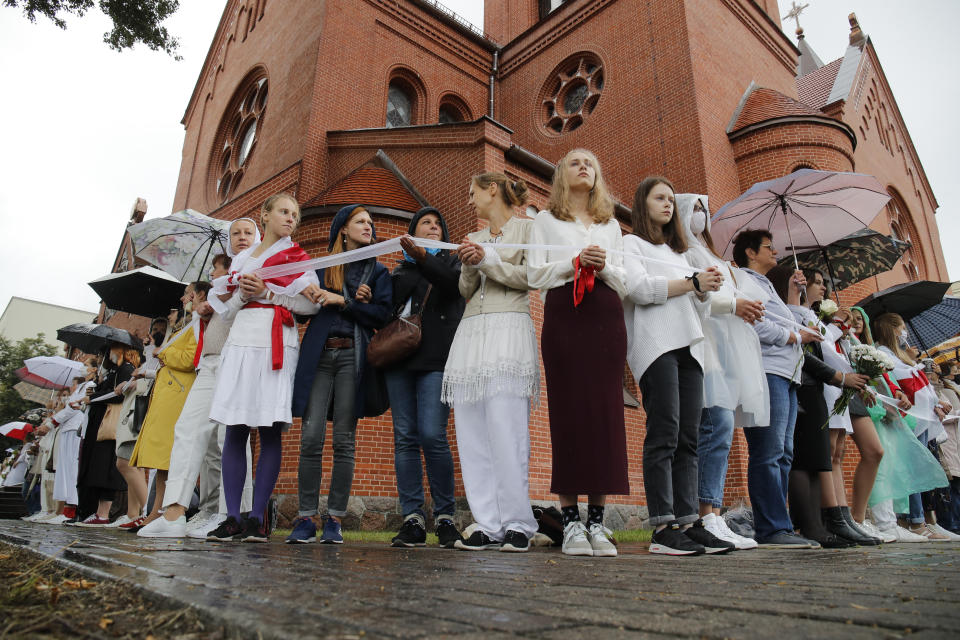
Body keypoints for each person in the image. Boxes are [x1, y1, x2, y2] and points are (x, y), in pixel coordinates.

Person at [622, 178, 732, 556]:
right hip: (656, 346)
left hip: (690, 347)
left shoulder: (681, 254)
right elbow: (638, 289)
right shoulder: (630, 244)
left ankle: (688, 522)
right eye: (659, 198)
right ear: (643, 203)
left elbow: (695, 308)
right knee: (664, 432)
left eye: (671, 199)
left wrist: (703, 289)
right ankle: (662, 527)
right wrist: (691, 283)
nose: (668, 204)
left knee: (689, 438)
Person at [528, 149, 628, 557]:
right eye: (575, 162)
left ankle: (599, 522)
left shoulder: (612, 225)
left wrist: (602, 266)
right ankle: (571, 521)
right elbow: (535, 274)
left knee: (606, 414)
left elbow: (625, 279)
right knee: (568, 412)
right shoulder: (545, 221)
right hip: (564, 315)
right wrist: (574, 261)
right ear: (561, 176)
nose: (584, 166)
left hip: (606, 317)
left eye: (590, 162)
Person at [207, 193, 319, 543]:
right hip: (241, 340)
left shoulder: (297, 256)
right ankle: (232, 517)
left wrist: (268, 293)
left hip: (276, 339)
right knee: (236, 427)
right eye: (284, 211)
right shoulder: (241, 258)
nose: (290, 218)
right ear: (265, 215)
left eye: (295, 214)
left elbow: (310, 306)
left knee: (269, 427)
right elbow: (225, 310)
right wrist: (245, 293)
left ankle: (257, 518)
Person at [138, 221, 259, 539]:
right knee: (188, 430)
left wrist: (226, 300)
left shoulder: (258, 270)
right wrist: (201, 314)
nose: (241, 237)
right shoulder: (219, 288)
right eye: (236, 233)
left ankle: (233, 514)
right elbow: (202, 336)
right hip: (209, 364)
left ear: (258, 238)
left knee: (229, 440)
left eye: (248, 232)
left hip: (238, 361)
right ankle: (174, 512)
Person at [286, 205, 391, 544]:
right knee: (310, 437)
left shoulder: (377, 272)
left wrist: (347, 302)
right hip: (319, 356)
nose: (369, 226)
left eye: (371, 223)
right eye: (360, 221)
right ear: (342, 230)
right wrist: (306, 294)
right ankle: (305, 518)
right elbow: (303, 314)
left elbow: (382, 317)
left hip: (353, 357)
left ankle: (334, 519)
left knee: (344, 441)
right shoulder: (322, 267)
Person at [446, 173, 539, 553]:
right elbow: (465, 290)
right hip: (472, 332)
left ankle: (518, 521)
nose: (469, 201)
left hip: (509, 328)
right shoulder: (475, 238)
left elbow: (531, 277)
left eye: (472, 193)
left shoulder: (527, 229)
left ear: (492, 190)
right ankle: (487, 522)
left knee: (506, 426)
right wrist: (471, 262)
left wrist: (488, 261)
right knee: (471, 430)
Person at [675, 194, 767, 550]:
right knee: (716, 426)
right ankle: (705, 514)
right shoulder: (684, 251)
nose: (701, 215)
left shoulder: (716, 256)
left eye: (704, 209)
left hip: (729, 350)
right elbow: (693, 293)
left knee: (722, 431)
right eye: (694, 208)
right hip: (706, 346)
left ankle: (711, 512)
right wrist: (733, 303)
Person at [732, 229, 821, 548]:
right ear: (750, 253)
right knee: (768, 452)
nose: (775, 253)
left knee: (783, 453)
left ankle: (778, 524)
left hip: (786, 374)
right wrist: (795, 338)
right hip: (767, 371)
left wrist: (797, 295)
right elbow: (756, 322)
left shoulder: (768, 284)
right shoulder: (744, 280)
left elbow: (792, 321)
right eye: (768, 248)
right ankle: (771, 527)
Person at [383, 206, 464, 548]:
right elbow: (389, 308)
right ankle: (413, 518)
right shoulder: (400, 270)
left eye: (437, 224)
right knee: (405, 437)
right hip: (400, 359)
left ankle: (445, 516)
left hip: (436, 359)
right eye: (425, 224)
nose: (432, 227)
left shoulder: (452, 261)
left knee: (432, 435)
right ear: (413, 233)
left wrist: (424, 259)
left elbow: (452, 287)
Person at [771, 267, 869, 548]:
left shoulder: (807, 315)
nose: (820, 287)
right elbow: (804, 350)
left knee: (818, 457)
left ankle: (828, 521)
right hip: (804, 382)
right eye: (811, 282)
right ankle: (811, 524)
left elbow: (817, 348)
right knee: (804, 457)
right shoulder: (787, 311)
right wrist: (838, 376)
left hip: (817, 385)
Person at [131, 283, 203, 532]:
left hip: (178, 393)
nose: (182, 299)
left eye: (186, 294)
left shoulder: (195, 326)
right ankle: (155, 511)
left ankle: (164, 510)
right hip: (166, 393)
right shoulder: (181, 328)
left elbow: (189, 359)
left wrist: (164, 354)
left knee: (169, 456)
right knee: (162, 459)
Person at [873, 313, 951, 541]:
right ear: (893, 330)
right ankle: (915, 520)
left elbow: (919, 383)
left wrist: (936, 403)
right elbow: (899, 381)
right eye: (902, 328)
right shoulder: (884, 353)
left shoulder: (901, 355)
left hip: (920, 415)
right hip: (907, 414)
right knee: (912, 468)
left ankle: (927, 520)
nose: (904, 333)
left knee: (921, 466)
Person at [75, 345, 135, 526]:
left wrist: (93, 398)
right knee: (97, 467)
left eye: (108, 352)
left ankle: (104, 513)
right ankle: (95, 511)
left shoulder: (126, 369)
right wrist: (97, 387)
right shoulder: (112, 371)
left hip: (110, 423)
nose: (105, 357)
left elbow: (118, 395)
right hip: (98, 423)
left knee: (107, 467)